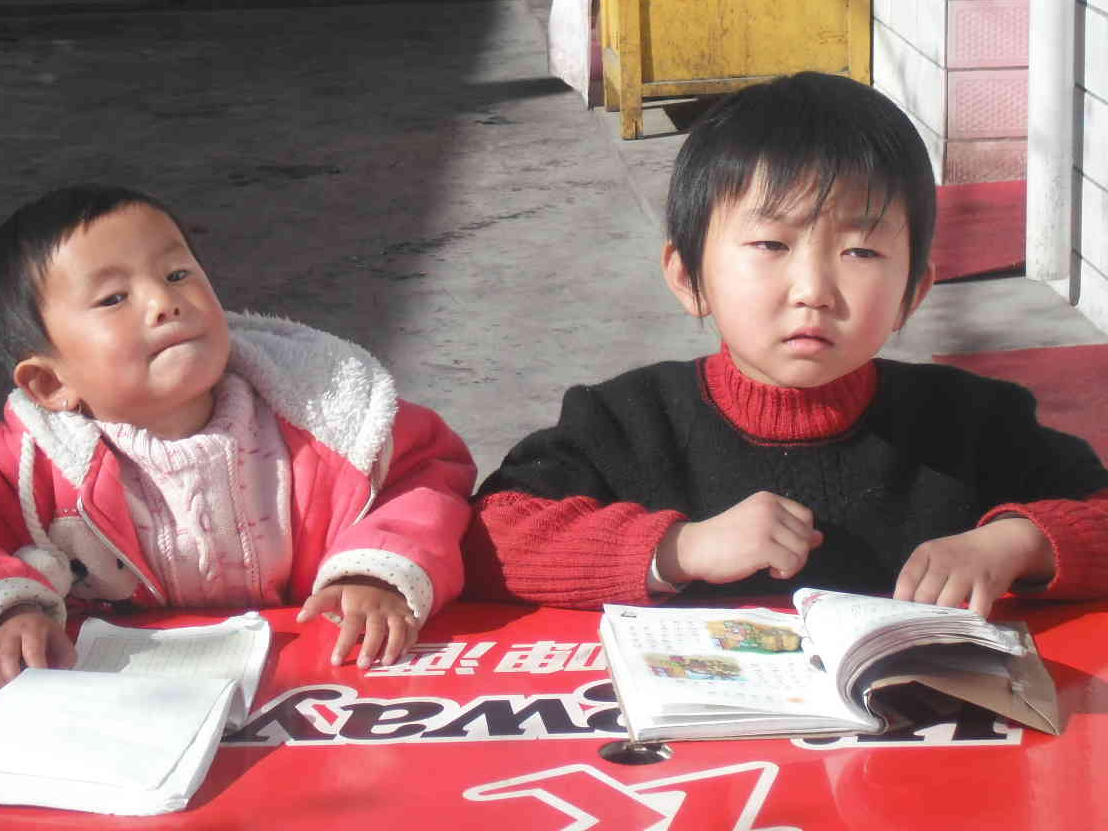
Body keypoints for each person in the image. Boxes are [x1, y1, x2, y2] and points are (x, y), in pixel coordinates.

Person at [465, 72, 1108, 617]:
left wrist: (1016, 545)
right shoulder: (625, 422)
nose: (814, 291)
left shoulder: (973, 423)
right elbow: (482, 536)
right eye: (772, 244)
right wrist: (678, 549)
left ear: (912, 292)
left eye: (861, 251)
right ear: (688, 277)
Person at [0, 184, 475, 693]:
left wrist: (374, 574)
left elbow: (425, 472)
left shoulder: (328, 416)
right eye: (114, 298)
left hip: (324, 680)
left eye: (178, 273)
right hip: (122, 699)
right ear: (51, 383)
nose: (164, 302)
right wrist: (7, 612)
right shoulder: (28, 469)